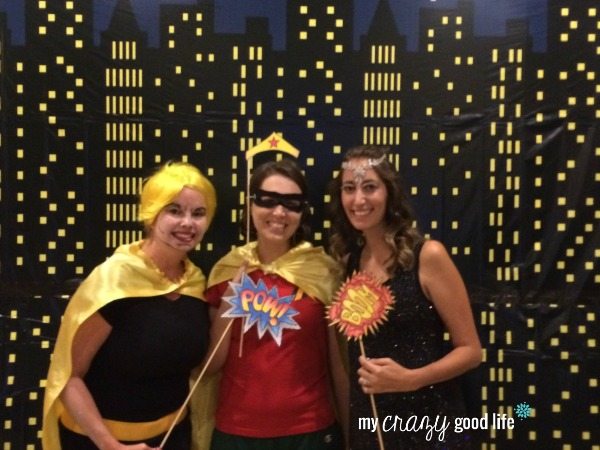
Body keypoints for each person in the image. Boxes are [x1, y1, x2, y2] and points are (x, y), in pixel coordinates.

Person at [42, 161, 217, 450]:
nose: (188, 223)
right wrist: (111, 446)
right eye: (174, 210)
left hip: (173, 438)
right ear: (151, 216)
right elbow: (69, 377)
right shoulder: (114, 280)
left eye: (198, 213)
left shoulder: (196, 283)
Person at [327, 145, 482, 449]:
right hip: (370, 428)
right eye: (349, 188)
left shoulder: (427, 256)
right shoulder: (348, 263)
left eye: (369, 187)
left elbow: (471, 351)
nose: (358, 200)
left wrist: (411, 378)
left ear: (389, 193)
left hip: (428, 424)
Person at [204, 158, 348, 450]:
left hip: (310, 429)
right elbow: (210, 366)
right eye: (268, 201)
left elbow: (339, 366)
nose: (279, 213)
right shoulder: (227, 270)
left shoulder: (322, 272)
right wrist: (232, 297)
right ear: (251, 206)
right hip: (237, 431)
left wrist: (353, 434)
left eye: (292, 203)